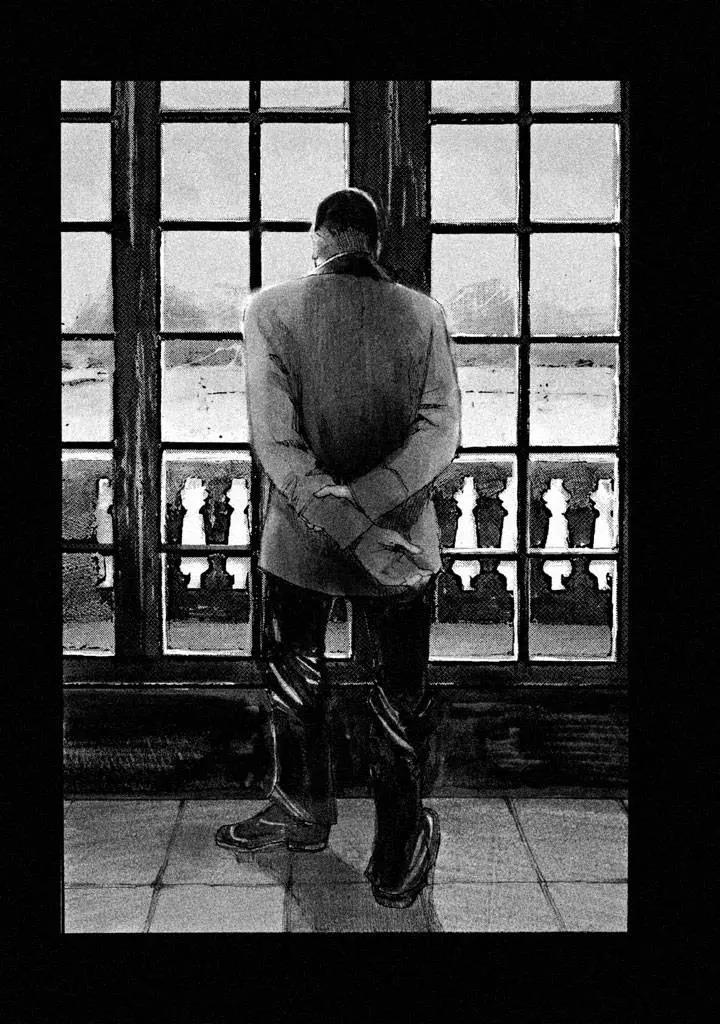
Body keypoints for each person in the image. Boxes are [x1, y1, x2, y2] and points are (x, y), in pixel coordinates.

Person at [215, 188, 461, 909]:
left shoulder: (268, 310)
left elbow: (277, 445)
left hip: (301, 540)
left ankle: (301, 809)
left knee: (294, 678)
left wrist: (343, 518)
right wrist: (373, 508)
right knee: (399, 696)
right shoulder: (425, 313)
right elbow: (440, 432)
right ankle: (397, 853)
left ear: (320, 238)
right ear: (373, 242)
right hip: (402, 542)